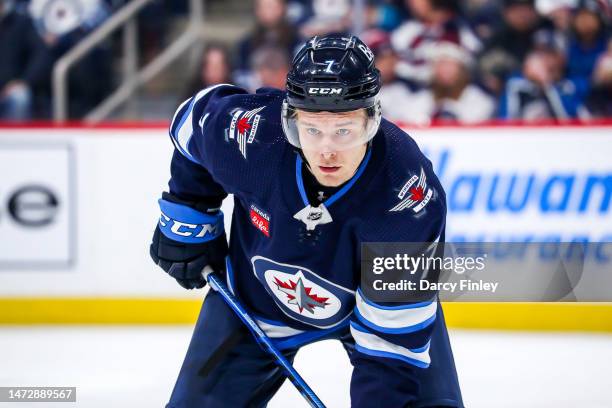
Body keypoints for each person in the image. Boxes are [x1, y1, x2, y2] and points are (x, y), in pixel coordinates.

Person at [150, 35, 463, 407]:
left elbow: (390, 351)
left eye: (344, 130)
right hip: (256, 302)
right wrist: (188, 213)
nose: (327, 149)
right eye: (311, 129)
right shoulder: (253, 135)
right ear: (289, 119)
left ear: (372, 120)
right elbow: (193, 120)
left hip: (379, 310)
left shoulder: (408, 194)